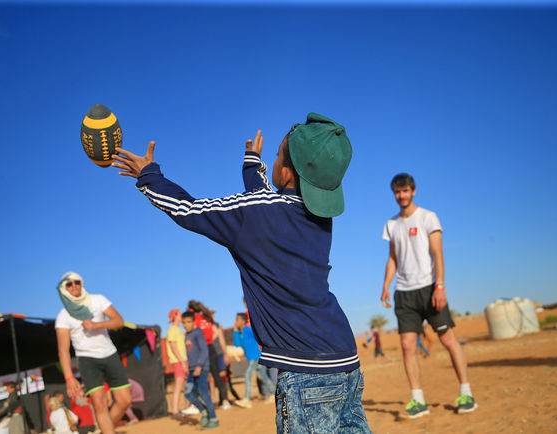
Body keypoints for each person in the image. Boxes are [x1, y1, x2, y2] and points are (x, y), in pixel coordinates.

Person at [112, 113, 371, 433]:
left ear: (288, 172)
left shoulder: (257, 213)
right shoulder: (319, 219)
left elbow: (188, 210)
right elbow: (265, 200)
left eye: (278, 156)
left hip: (306, 370)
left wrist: (149, 175)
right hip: (345, 359)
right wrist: (253, 164)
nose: (274, 162)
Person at [380, 173, 477, 417]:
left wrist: (440, 286)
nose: (401, 195)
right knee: (406, 345)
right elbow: (393, 257)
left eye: (405, 191)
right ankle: (418, 400)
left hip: (430, 288)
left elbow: (437, 253)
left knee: (446, 339)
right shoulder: (391, 225)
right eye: (397, 192)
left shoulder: (428, 217)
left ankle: (466, 392)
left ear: (413, 191)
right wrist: (385, 285)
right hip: (404, 292)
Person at [55, 271, 132, 434]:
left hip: (109, 353)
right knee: (99, 404)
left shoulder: (98, 300)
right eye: (69, 284)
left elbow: (119, 321)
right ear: (64, 289)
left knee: (125, 401)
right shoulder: (63, 316)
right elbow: (63, 351)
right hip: (87, 359)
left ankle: (105, 430)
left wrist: (96, 325)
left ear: (81, 283)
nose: (74, 285)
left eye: (77, 282)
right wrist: (69, 378)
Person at [187, 300, 229, 410]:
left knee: (196, 375)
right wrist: (209, 339)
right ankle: (225, 401)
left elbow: (192, 336)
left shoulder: (194, 319)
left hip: (200, 349)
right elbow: (215, 332)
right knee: (217, 375)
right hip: (211, 348)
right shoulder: (206, 318)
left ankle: (195, 405)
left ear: (191, 310)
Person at [181, 311, 219, 429]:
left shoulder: (198, 333)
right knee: (188, 393)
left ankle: (213, 418)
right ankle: (204, 412)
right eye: (183, 323)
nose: (186, 325)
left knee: (203, 393)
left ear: (193, 322)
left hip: (201, 369)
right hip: (192, 370)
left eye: (188, 322)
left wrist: (199, 366)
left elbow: (204, 351)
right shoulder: (187, 335)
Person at [232, 313, 275, 408]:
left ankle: (247, 399)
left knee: (247, 375)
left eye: (238, 319)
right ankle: (274, 394)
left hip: (256, 357)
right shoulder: (240, 332)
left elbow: (259, 335)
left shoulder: (248, 329)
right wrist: (235, 331)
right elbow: (237, 344)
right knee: (262, 376)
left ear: (243, 321)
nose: (236, 322)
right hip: (252, 358)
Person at [166, 308, 189, 418]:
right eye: (179, 314)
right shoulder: (172, 330)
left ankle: (187, 407)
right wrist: (182, 362)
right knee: (179, 385)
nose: (181, 316)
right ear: (175, 316)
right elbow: (174, 347)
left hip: (183, 360)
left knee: (186, 385)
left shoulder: (179, 330)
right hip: (179, 361)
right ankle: (175, 410)